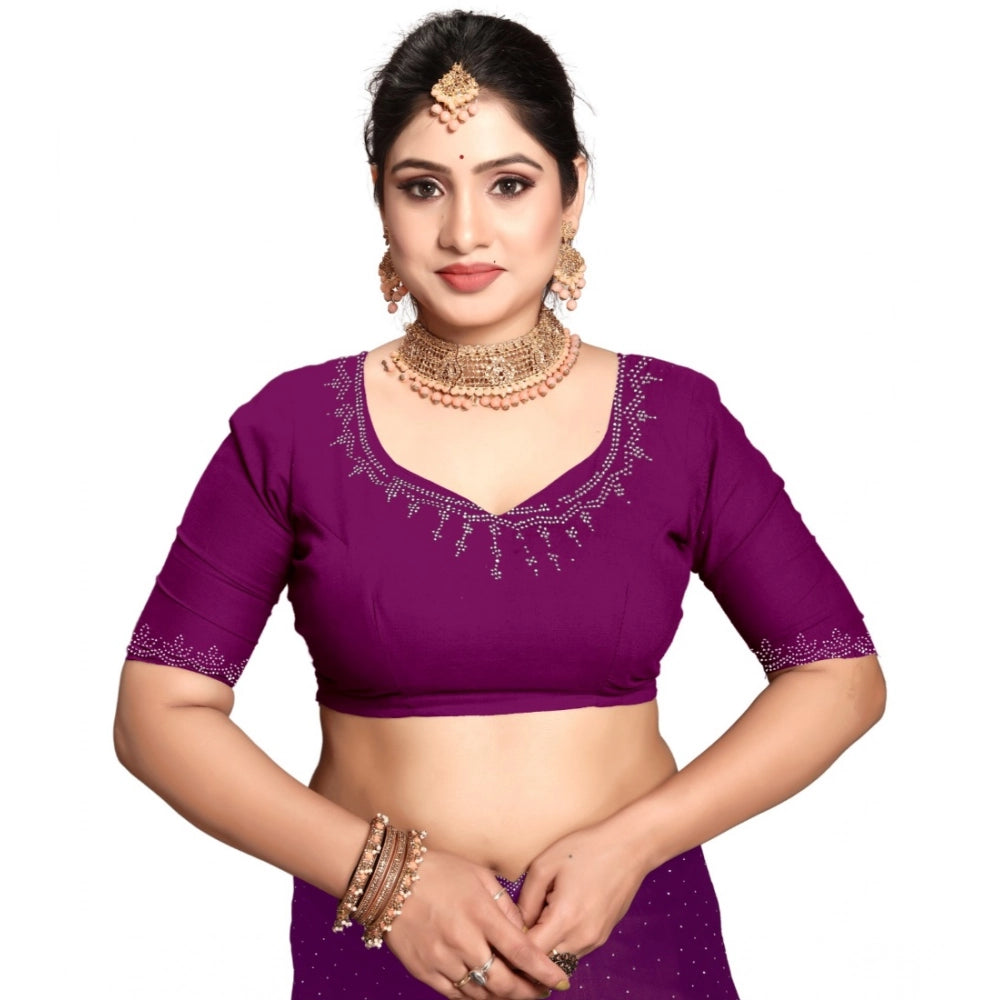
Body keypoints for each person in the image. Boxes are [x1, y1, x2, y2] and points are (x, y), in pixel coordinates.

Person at [114, 11, 886, 999]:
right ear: (379, 199)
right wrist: (386, 881)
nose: (464, 231)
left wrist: (635, 841)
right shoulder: (291, 429)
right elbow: (158, 712)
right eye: (422, 186)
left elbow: (838, 675)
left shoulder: (676, 420)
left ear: (573, 191)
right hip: (381, 946)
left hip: (636, 937)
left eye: (509, 183)